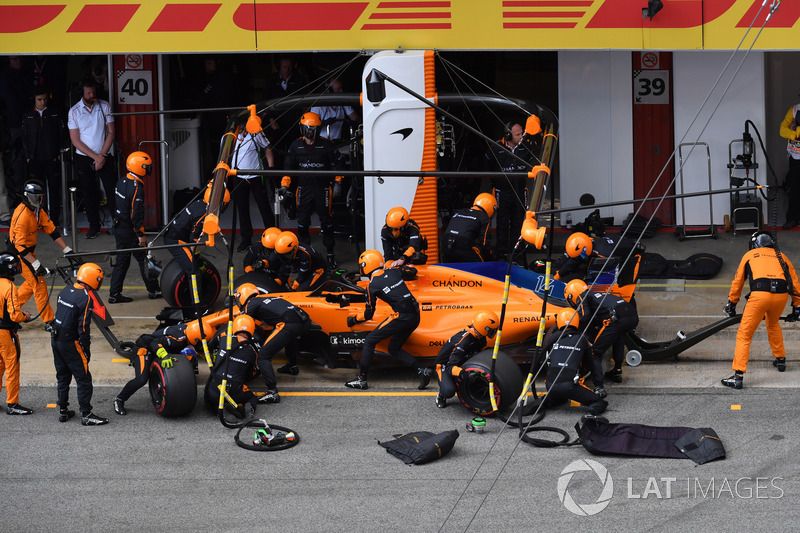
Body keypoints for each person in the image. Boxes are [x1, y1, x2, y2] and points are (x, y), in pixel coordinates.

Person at [721, 231, 800, 389]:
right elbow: (795, 282)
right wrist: (797, 306)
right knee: (773, 324)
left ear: (755, 244)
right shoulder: (782, 256)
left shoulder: (750, 255)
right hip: (780, 296)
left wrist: (732, 303)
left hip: (759, 296)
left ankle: (738, 376)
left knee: (745, 334)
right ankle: (780, 360)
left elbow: (738, 281)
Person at [344, 250, 432, 390]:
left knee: (370, 341)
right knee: (393, 348)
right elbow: (412, 271)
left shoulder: (372, 286)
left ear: (366, 266)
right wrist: (397, 265)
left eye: (362, 265)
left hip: (402, 316)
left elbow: (368, 315)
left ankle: (361, 379)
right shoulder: (393, 271)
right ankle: (422, 370)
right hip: (416, 315)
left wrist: (354, 319)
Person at [283, 111, 344, 269]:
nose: (311, 132)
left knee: (327, 221)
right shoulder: (295, 145)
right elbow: (288, 168)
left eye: (314, 129)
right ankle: (304, 254)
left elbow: (339, 162)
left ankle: (330, 254)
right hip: (303, 189)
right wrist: (284, 186)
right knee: (302, 222)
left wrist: (338, 182)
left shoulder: (326, 144)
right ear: (302, 129)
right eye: (308, 129)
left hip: (323, 189)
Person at [50, 262, 108, 425]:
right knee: (83, 378)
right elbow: (83, 327)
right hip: (70, 343)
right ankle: (87, 414)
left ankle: (63, 411)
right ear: (93, 279)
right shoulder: (85, 297)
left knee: (63, 376)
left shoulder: (66, 290)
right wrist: (86, 349)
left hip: (55, 340)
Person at [10, 180, 73, 327]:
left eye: (41, 197)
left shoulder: (37, 211)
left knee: (31, 283)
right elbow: (20, 246)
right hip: (21, 254)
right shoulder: (22, 217)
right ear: (27, 198)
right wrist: (36, 264)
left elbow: (51, 230)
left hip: (29, 252)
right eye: (36, 198)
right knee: (39, 283)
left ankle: (9, 310)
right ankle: (49, 320)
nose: (39, 201)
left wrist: (66, 249)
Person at [237, 283, 312, 404]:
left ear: (242, 296)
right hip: (304, 321)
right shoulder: (267, 298)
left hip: (289, 323)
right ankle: (292, 366)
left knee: (263, 356)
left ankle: (272, 392)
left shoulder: (251, 303)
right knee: (290, 337)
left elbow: (243, 321)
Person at [114, 319, 204, 415]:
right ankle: (119, 400)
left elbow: (202, 349)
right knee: (141, 379)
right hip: (144, 349)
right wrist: (164, 356)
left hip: (161, 347)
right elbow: (154, 343)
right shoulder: (177, 338)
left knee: (190, 356)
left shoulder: (192, 330)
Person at [564, 279, 639, 392]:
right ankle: (617, 372)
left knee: (595, 352)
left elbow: (584, 316)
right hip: (631, 314)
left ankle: (599, 386)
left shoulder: (582, 295)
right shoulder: (597, 293)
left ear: (571, 296)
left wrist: (570, 323)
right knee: (618, 338)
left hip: (616, 318)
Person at [108, 151, 161, 303]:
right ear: (140, 168)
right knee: (144, 259)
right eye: (147, 167)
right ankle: (154, 290)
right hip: (130, 231)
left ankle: (114, 294)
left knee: (122, 262)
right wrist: (140, 234)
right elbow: (135, 214)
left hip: (119, 227)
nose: (149, 169)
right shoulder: (137, 188)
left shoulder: (122, 181)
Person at [67, 76, 116, 239]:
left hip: (104, 154)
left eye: (94, 92)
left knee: (112, 189)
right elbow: (75, 140)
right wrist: (95, 156)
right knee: (89, 192)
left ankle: (116, 224)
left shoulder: (104, 106)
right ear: (82, 93)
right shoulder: (74, 111)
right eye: (88, 93)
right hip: (84, 157)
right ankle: (94, 226)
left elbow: (111, 132)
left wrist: (101, 156)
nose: (92, 96)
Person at [541, 308, 608, 419]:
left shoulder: (552, 338)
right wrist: (599, 385)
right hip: (569, 386)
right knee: (599, 402)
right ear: (577, 321)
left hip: (550, 385)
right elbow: (592, 362)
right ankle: (589, 415)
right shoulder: (582, 339)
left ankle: (548, 401)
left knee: (561, 398)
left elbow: (547, 359)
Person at [483, 121, 535, 258]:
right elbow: (487, 167)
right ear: (508, 135)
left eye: (522, 133)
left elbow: (531, 163)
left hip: (520, 190)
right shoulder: (495, 149)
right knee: (502, 221)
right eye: (518, 134)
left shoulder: (526, 147)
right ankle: (501, 250)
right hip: (502, 191)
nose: (521, 137)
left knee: (519, 220)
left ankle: (517, 249)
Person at [434, 310, 498, 408]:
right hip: (445, 365)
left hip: (462, 359)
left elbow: (481, 351)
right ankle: (441, 395)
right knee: (449, 391)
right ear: (484, 328)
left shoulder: (480, 335)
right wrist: (464, 374)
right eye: (492, 330)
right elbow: (450, 367)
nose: (493, 332)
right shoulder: (463, 342)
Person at [21, 86, 66, 226]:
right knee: (36, 191)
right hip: (35, 158)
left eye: (45, 99)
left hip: (52, 157)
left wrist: (60, 152)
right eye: (39, 99)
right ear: (34, 100)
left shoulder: (55, 113)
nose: (43, 102)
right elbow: (24, 137)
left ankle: (54, 220)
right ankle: (38, 218)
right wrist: (28, 156)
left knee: (54, 189)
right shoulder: (28, 115)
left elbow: (62, 134)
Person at [164, 183, 229, 274]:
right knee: (195, 272)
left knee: (193, 264)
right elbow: (193, 243)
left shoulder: (200, 202)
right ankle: (196, 288)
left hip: (174, 233)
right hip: (175, 241)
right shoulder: (204, 216)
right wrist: (198, 260)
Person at [204, 314, 259, 418]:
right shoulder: (252, 351)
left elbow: (212, 344)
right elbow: (251, 374)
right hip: (234, 392)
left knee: (212, 396)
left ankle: (219, 409)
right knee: (251, 397)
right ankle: (248, 411)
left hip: (214, 388)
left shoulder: (224, 339)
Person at [230, 127, 275, 252]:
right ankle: (246, 240)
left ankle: (272, 237)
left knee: (264, 207)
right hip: (238, 177)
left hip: (256, 177)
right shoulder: (229, 137)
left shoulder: (255, 133)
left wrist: (271, 169)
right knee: (242, 210)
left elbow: (267, 148)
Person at [0, 254, 33, 415]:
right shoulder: (9, 286)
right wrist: (25, 317)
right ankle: (12, 404)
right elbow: (14, 315)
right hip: (6, 333)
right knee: (12, 366)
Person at [0, 56, 29, 205]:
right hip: (15, 123)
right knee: (18, 158)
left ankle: (32, 192)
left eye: (19, 58)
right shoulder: (6, 77)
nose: (17, 61)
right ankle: (19, 193)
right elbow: (11, 101)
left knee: (32, 157)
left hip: (30, 121)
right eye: (13, 59)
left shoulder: (26, 72)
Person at [441, 192, 497, 262]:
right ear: (492, 208)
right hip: (463, 246)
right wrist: (491, 257)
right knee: (483, 266)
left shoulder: (460, 212)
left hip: (446, 243)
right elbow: (484, 243)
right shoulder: (484, 217)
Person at [310, 77, 360, 142]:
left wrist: (356, 123)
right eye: (338, 89)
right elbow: (311, 127)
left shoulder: (343, 102)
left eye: (341, 88)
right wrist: (323, 123)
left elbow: (355, 118)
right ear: (329, 90)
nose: (341, 91)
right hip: (320, 143)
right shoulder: (318, 106)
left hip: (337, 143)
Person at [779, 99, 800, 229]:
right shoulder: (794, 109)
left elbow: (788, 129)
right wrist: (796, 132)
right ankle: (792, 218)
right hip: (795, 156)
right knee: (795, 189)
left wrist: (794, 127)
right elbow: (782, 131)